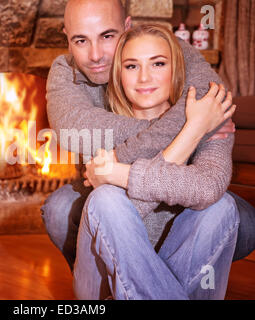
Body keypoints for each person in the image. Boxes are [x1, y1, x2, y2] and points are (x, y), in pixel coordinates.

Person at [41, 0, 255, 276]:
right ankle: (108, 283)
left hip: (176, 193)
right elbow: (78, 134)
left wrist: (117, 165)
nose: (95, 55)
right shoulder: (64, 72)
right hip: (109, 195)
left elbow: (212, 94)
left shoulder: (165, 47)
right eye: (81, 40)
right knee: (65, 208)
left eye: (107, 36)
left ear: (127, 27)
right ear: (67, 39)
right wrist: (193, 126)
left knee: (233, 215)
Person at [73, 23, 237, 300]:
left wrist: (121, 174)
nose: (144, 78)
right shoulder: (99, 125)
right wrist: (191, 133)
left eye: (158, 63)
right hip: (102, 284)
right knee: (106, 201)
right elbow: (118, 215)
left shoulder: (210, 116)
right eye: (132, 66)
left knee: (221, 206)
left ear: (177, 70)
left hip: (178, 270)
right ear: (118, 74)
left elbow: (209, 186)